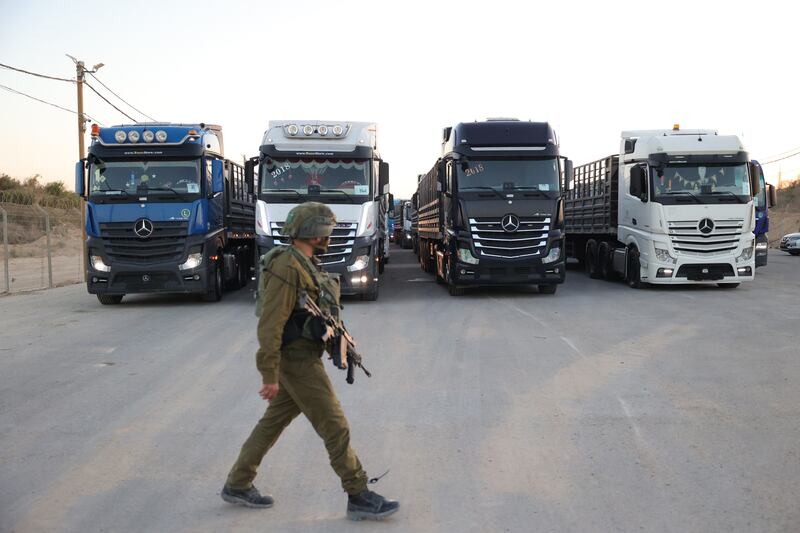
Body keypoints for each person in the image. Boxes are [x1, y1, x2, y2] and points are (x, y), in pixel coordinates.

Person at [221, 202, 399, 521]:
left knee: (272, 423)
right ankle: (358, 493)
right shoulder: (288, 266)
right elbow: (271, 322)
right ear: (314, 232)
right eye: (326, 229)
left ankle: (237, 483)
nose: (329, 235)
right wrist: (269, 372)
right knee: (334, 424)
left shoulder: (304, 262)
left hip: (302, 355)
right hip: (296, 360)